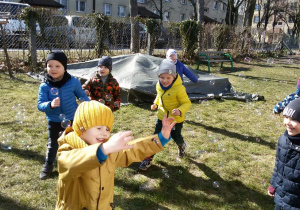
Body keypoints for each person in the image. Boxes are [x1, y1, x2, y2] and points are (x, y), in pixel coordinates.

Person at [56, 100, 176, 209]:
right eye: (98, 128)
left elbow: (133, 149)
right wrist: (103, 149)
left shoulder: (109, 149)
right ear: (81, 129)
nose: (104, 133)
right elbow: (69, 164)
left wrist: (161, 138)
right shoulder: (68, 148)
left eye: (107, 129)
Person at [37, 51, 90, 180]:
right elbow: (40, 105)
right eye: (50, 66)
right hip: (54, 121)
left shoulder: (73, 82)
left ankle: (75, 164)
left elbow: (82, 96)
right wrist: (50, 104)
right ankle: (49, 165)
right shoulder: (45, 86)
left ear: (64, 67)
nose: (53, 69)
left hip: (73, 119)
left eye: (57, 66)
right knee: (53, 143)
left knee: (74, 142)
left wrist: (87, 102)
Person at [139, 59, 191, 171]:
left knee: (176, 136)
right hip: (162, 117)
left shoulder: (179, 88)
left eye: (168, 78)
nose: (165, 80)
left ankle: (181, 145)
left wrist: (180, 110)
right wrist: (155, 103)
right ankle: (148, 158)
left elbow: (186, 102)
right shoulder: (159, 85)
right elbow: (159, 95)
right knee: (156, 137)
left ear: (174, 77)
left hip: (175, 119)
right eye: (162, 77)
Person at [268, 98, 300, 209]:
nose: (287, 123)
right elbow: (278, 166)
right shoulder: (283, 140)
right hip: (281, 198)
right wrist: (273, 185)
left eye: (294, 119)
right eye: (286, 117)